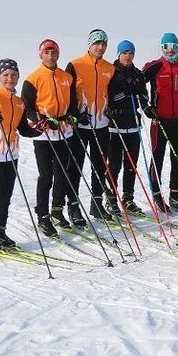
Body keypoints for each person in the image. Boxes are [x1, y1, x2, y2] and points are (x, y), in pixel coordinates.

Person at [0, 59, 43, 249]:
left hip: (11, 154)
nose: (10, 78)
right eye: (5, 75)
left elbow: (23, 129)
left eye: (13, 75)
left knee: (6, 196)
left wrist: (38, 129)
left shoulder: (19, 102)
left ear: (18, 76)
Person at [21, 39, 79, 237]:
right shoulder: (33, 79)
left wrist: (73, 115)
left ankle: (57, 210)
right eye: (47, 53)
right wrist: (42, 119)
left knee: (62, 173)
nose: (50, 56)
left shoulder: (66, 77)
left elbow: (73, 102)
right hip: (44, 135)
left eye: (54, 53)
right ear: (40, 55)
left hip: (64, 132)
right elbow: (27, 107)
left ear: (58, 54)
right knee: (46, 176)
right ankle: (43, 215)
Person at [142, 32, 178, 211]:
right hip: (159, 120)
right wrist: (146, 107)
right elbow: (137, 84)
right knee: (157, 157)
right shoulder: (154, 66)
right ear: (162, 47)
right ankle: (157, 195)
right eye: (167, 46)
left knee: (177, 157)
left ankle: (175, 194)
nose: (170, 50)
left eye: (174, 46)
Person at [65, 29, 115, 224]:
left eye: (103, 44)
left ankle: (97, 204)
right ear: (89, 44)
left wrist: (111, 109)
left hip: (101, 125)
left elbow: (111, 93)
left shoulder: (110, 68)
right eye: (97, 43)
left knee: (99, 166)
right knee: (75, 166)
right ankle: (74, 206)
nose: (100, 47)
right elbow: (67, 95)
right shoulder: (75, 65)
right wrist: (75, 115)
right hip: (80, 126)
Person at [105, 39, 149, 215]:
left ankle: (128, 198)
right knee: (114, 165)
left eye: (131, 53)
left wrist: (146, 105)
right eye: (124, 53)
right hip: (115, 125)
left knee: (131, 165)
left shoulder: (138, 74)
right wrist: (118, 99)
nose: (128, 56)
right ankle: (111, 198)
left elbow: (144, 96)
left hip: (133, 126)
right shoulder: (111, 72)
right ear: (118, 54)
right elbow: (106, 95)